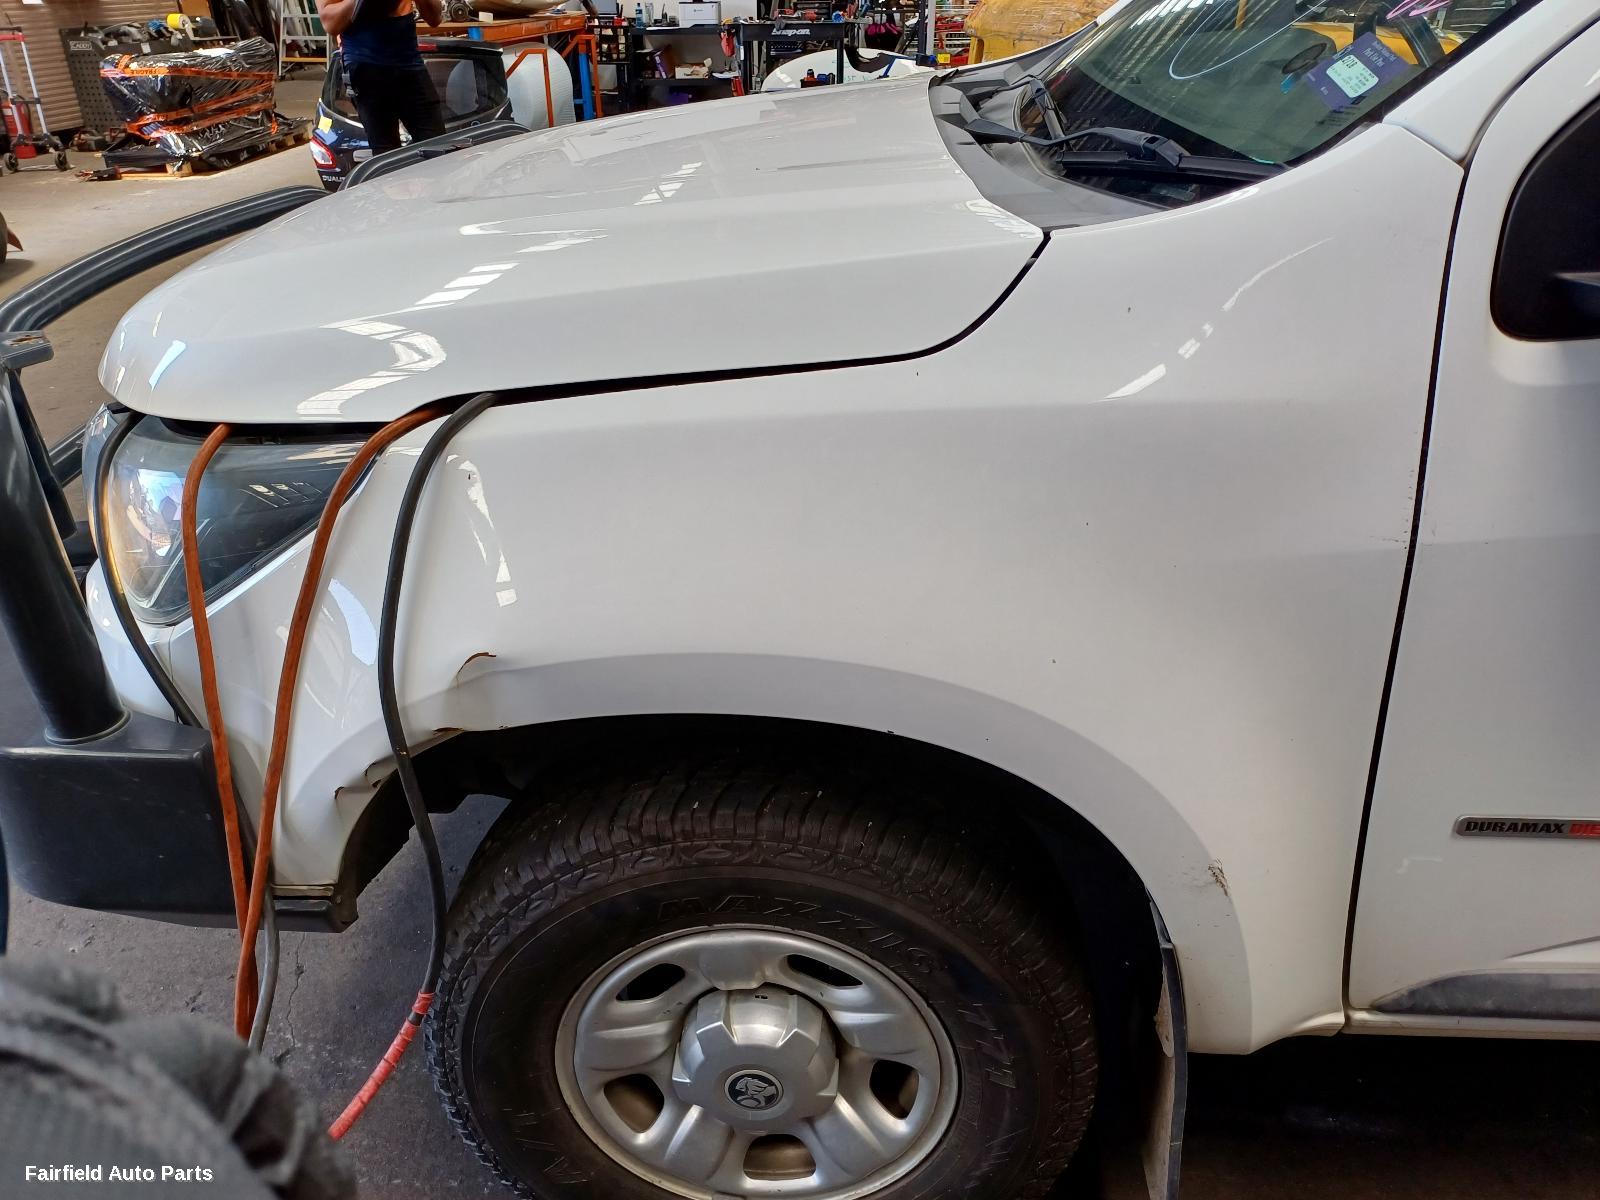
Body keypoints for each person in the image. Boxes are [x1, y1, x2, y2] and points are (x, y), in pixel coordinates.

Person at [315, 0, 446, 156]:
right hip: (366, 69)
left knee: (437, 147)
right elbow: (330, 23)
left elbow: (434, 18)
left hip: (408, 64)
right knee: (387, 156)